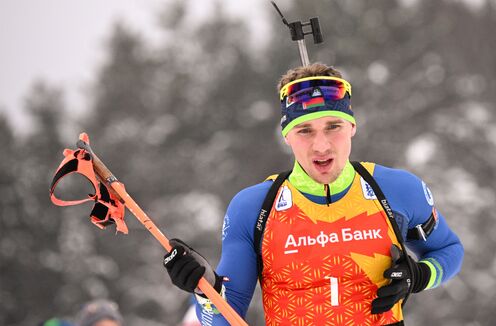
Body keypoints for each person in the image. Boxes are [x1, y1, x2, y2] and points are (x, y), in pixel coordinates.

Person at [163, 63, 464, 325]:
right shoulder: (254, 208)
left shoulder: (397, 190)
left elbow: (449, 250)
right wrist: (204, 289)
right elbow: (225, 319)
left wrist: (419, 275)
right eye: (305, 130)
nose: (321, 146)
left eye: (333, 126)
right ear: (286, 136)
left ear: (352, 127)